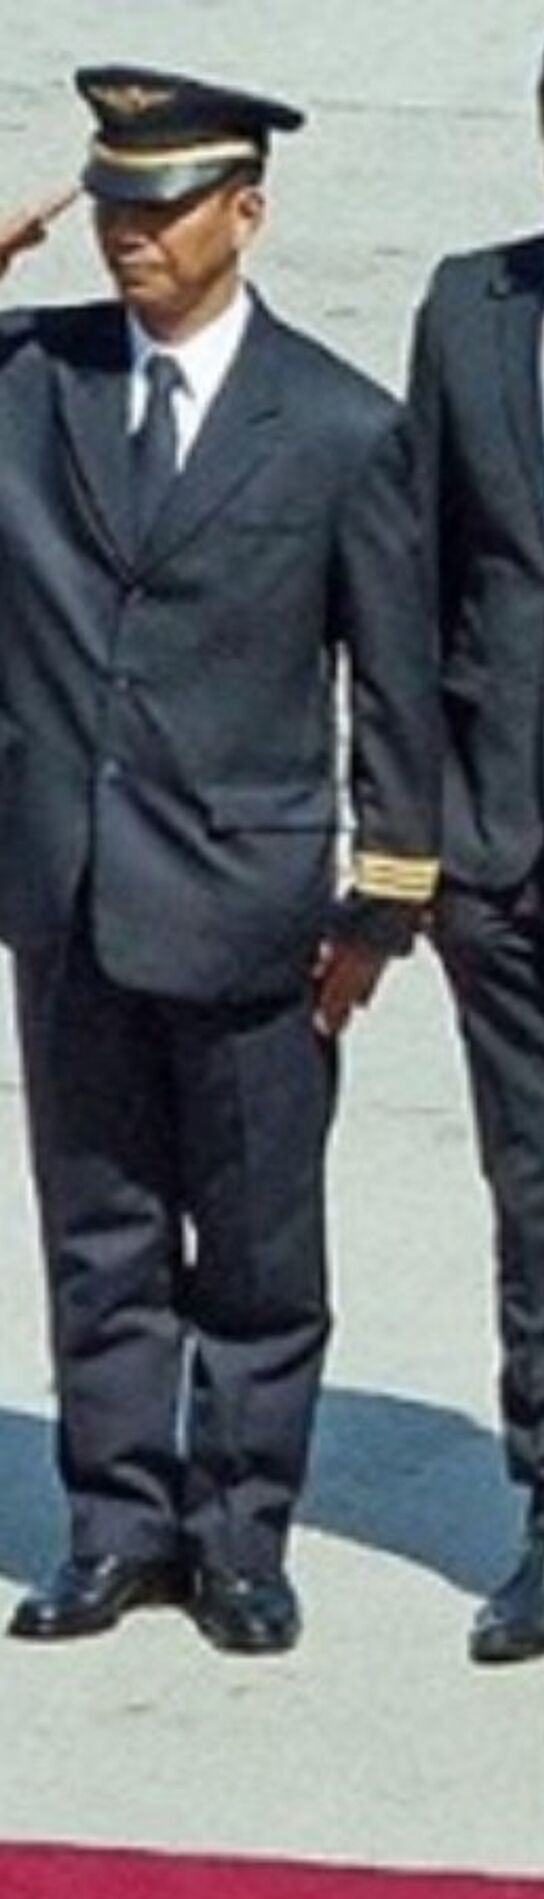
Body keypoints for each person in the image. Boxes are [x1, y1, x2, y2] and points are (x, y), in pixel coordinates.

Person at [0, 66, 440, 1655]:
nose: (132, 234)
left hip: (251, 899)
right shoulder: (26, 372)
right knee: (99, 1229)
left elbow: (396, 684)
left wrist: (383, 899)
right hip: (58, 880)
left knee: (260, 1251)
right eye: (114, 207)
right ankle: (116, 1525)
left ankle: (241, 1536)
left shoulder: (340, 426)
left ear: (245, 213)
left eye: (165, 207)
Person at [406, 46, 544, 1665]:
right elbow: (416, 577)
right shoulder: (472, 309)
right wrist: (421, 846)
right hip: (508, 854)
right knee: (536, 1195)